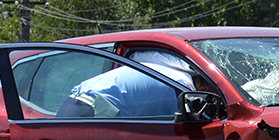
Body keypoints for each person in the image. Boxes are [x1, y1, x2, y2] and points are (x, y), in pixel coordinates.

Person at [55, 51, 198, 118]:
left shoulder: (162, 71)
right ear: (203, 89)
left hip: (73, 104)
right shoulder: (182, 87)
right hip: (94, 114)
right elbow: (183, 128)